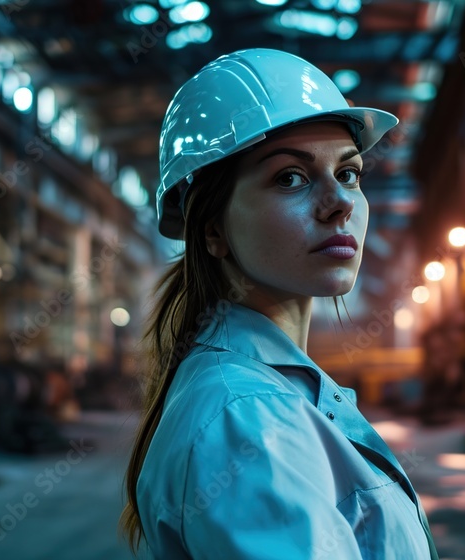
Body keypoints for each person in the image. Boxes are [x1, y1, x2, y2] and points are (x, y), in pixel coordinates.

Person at [120, 48, 439, 559]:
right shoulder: (246, 417)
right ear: (213, 229)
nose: (339, 203)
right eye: (290, 177)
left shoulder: (270, 393)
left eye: (350, 174)